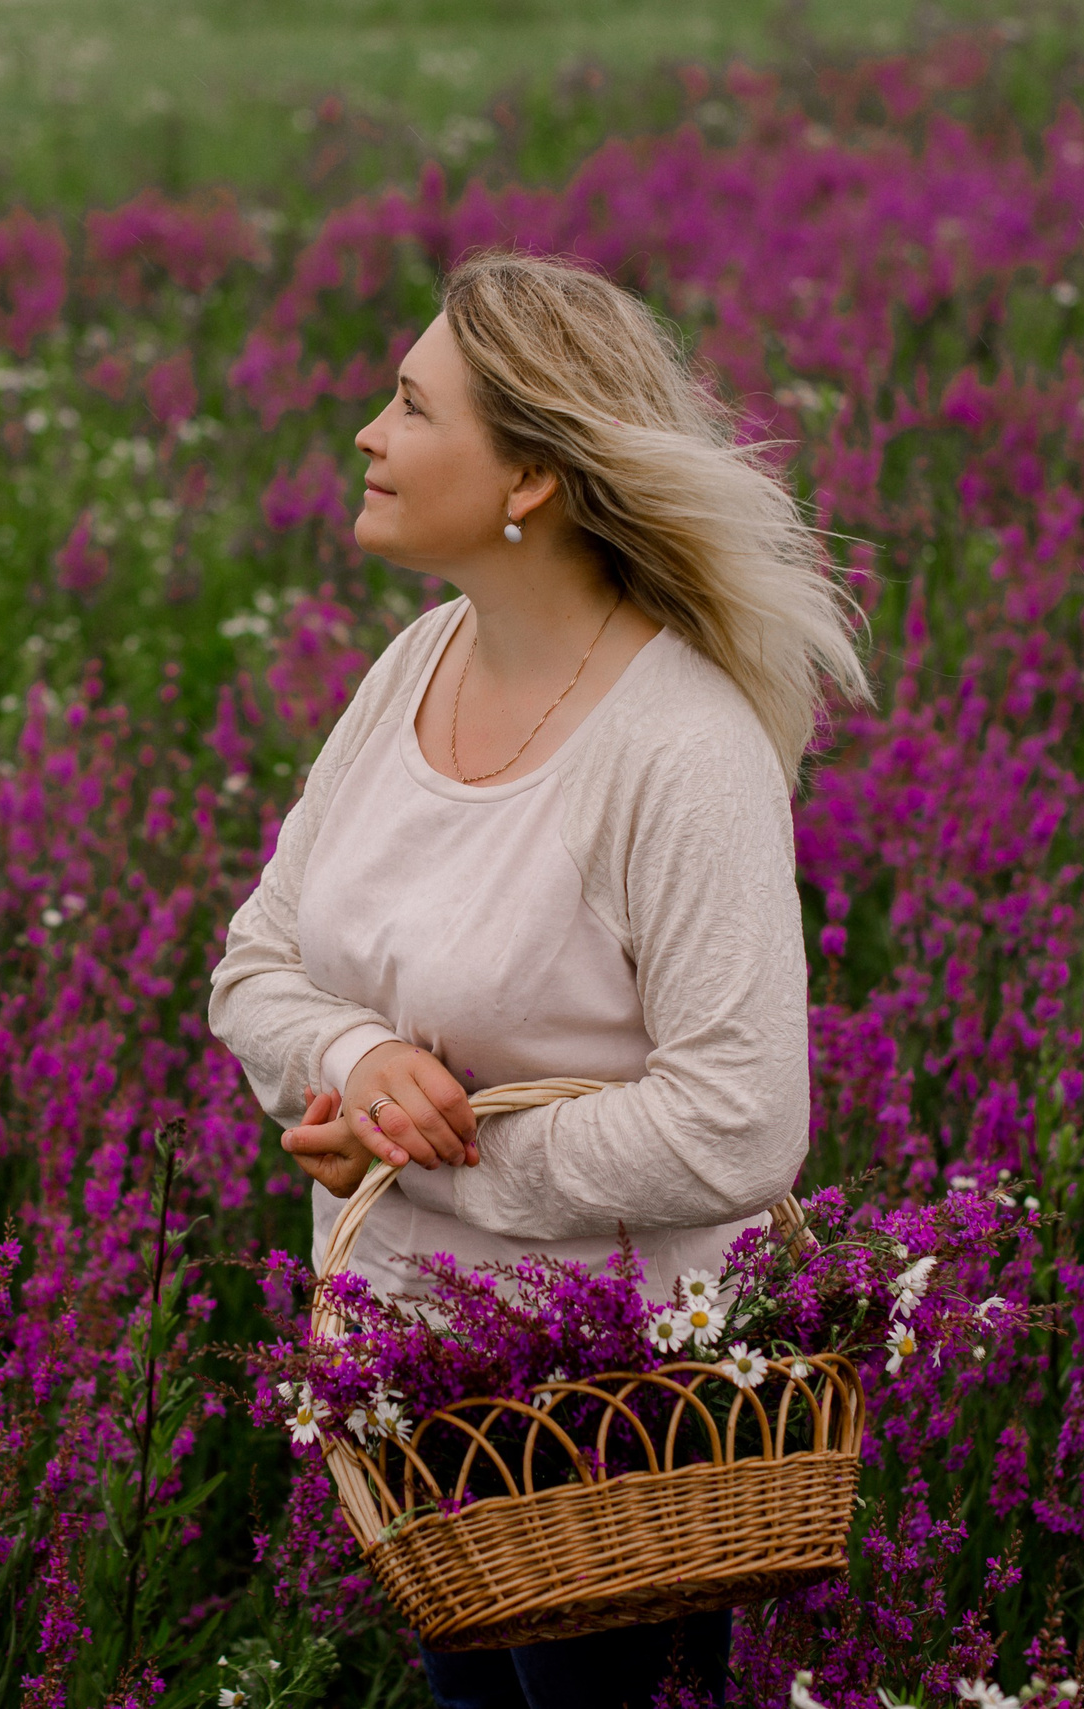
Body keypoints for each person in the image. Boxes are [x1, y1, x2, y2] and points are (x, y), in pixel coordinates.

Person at [205, 250, 869, 1708]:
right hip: (418, 1399)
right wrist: (359, 1063)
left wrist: (436, 1151)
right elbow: (256, 963)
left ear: (530, 479)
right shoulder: (419, 661)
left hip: (614, 1423)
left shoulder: (680, 748)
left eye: (411, 405)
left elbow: (742, 1121)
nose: (368, 433)